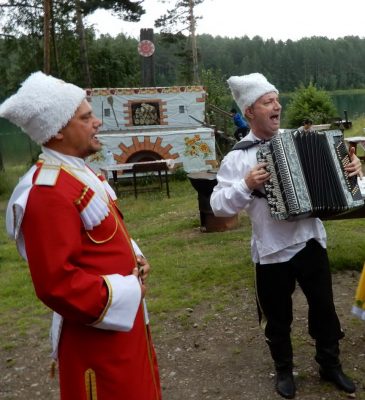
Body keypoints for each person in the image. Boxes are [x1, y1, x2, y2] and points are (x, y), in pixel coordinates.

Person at [0, 71, 162, 400]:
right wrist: (129, 289)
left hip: (121, 331)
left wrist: (135, 256)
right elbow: (56, 283)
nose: (97, 122)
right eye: (86, 117)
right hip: (97, 340)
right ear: (57, 130)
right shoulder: (47, 192)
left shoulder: (78, 171)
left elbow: (104, 232)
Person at [211, 73, 361, 399]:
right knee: (278, 318)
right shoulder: (238, 157)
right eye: (268, 101)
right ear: (249, 111)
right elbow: (219, 207)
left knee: (324, 309)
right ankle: (283, 369)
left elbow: (347, 185)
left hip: (310, 240)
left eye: (277, 99)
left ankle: (330, 364)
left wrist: (354, 172)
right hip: (270, 250)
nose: (277, 105)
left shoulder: (303, 139)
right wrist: (246, 185)